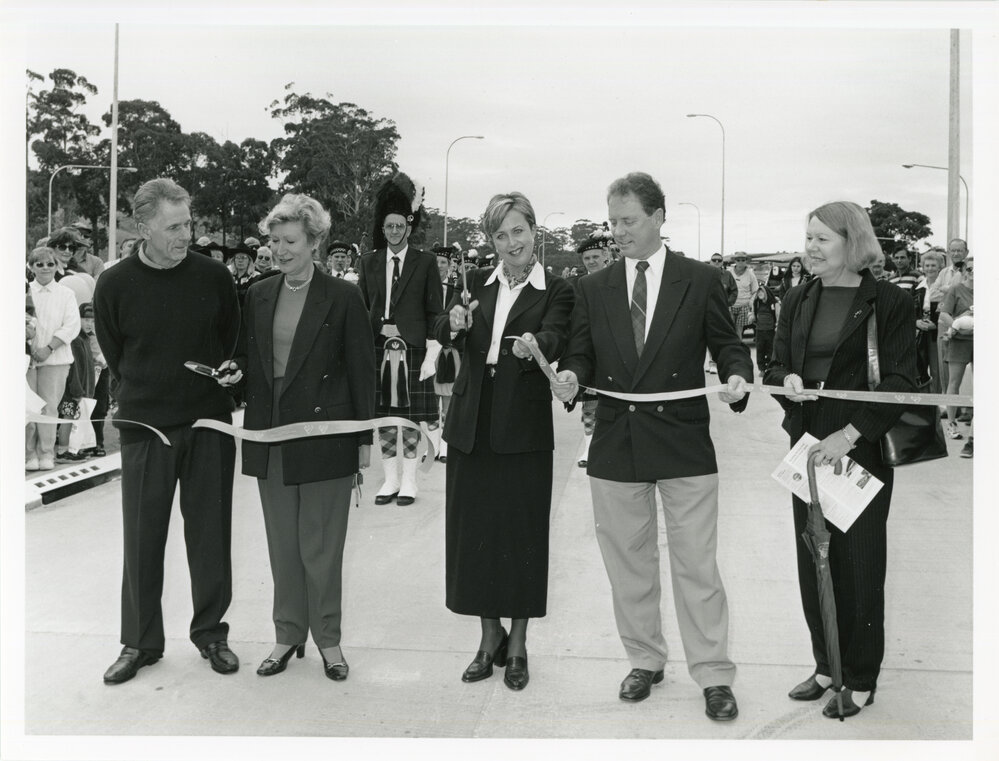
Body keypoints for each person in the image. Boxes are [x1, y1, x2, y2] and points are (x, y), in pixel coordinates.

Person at [552, 172, 751, 720]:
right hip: (617, 443)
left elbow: (727, 343)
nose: (618, 232)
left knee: (697, 566)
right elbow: (581, 354)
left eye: (629, 221)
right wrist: (570, 376)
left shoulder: (700, 278)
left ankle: (712, 674)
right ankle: (645, 660)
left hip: (684, 441)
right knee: (628, 565)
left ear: (659, 216)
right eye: (612, 222)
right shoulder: (591, 288)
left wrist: (737, 377)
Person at [763, 201, 916, 719]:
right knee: (814, 559)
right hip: (807, 446)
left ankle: (861, 676)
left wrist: (850, 435)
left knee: (859, 565)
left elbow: (901, 381)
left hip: (859, 448)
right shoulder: (798, 297)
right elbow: (778, 363)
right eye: (807, 237)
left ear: (852, 242)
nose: (810, 248)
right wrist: (785, 384)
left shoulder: (889, 301)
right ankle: (826, 665)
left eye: (821, 239)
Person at [221, 194, 376, 681]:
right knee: (282, 544)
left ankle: (328, 640)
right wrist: (234, 374)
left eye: (290, 241)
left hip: (326, 436)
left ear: (314, 241)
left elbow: (361, 371)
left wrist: (363, 440)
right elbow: (253, 361)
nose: (280, 250)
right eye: (274, 241)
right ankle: (287, 634)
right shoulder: (259, 293)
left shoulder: (344, 296)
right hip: (271, 434)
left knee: (322, 546)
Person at [93, 178, 241, 685]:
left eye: (189, 224)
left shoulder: (215, 277)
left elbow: (231, 341)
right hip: (144, 427)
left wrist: (229, 373)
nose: (187, 235)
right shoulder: (113, 284)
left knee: (210, 536)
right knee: (142, 538)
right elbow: (116, 356)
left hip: (207, 424)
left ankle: (211, 634)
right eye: (175, 227)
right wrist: (149, 391)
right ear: (144, 227)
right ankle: (139, 643)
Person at [435, 192, 573, 691]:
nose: (511, 242)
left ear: (534, 231)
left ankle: (517, 644)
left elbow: (559, 334)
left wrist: (538, 344)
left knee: (521, 535)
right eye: (500, 235)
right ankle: (487, 637)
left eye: (518, 231)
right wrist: (453, 323)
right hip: (472, 423)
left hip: (524, 426)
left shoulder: (555, 289)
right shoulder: (475, 285)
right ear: (490, 241)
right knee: (475, 535)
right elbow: (444, 326)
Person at [356, 173, 444, 506]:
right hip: (380, 348)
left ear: (409, 227)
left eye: (400, 226)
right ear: (382, 228)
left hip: (414, 350)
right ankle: (390, 478)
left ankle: (409, 481)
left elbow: (435, 311)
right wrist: (379, 328)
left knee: (408, 420)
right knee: (385, 420)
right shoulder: (369, 262)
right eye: (389, 226)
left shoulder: (426, 262)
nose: (394, 231)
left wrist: (431, 354)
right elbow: (361, 307)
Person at [25, 247, 81, 471]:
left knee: (49, 407)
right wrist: (30, 347)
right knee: (28, 407)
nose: (45, 268)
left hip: (55, 360)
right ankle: (28, 454)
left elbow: (72, 326)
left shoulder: (66, 294)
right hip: (27, 359)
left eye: (50, 264)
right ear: (31, 267)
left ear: (57, 266)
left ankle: (46, 453)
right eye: (39, 264)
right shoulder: (24, 291)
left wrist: (49, 348)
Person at [573, 231, 612, 466]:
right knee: (589, 405)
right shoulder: (578, 283)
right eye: (587, 258)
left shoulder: (618, 278)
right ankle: (589, 450)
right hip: (590, 353)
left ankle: (609, 448)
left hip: (616, 353)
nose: (591, 262)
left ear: (606, 255)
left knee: (613, 404)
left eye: (595, 257)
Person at [938, 257, 973, 454]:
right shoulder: (956, 289)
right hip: (959, 341)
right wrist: (955, 327)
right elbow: (943, 314)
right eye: (970, 269)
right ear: (965, 271)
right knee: (954, 383)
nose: (974, 272)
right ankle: (951, 423)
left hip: (980, 341)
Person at [914, 249, 946, 394]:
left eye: (933, 265)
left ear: (940, 267)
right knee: (919, 367)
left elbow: (948, 308)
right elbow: (911, 310)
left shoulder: (944, 287)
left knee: (937, 368)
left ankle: (938, 402)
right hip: (920, 333)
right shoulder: (918, 287)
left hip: (937, 332)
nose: (930, 268)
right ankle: (924, 402)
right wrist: (916, 322)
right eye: (927, 265)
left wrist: (936, 322)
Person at [705, 252, 738, 374]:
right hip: (708, 311)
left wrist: (727, 303)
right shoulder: (705, 274)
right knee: (709, 337)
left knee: (724, 337)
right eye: (714, 260)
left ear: (723, 262)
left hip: (724, 311)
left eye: (719, 260)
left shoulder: (728, 275)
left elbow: (734, 291)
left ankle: (722, 363)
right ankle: (712, 362)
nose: (717, 262)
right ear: (710, 261)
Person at [729, 251, 759, 339]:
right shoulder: (729, 273)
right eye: (738, 260)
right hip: (730, 305)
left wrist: (751, 302)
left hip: (744, 306)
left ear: (746, 261)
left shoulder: (750, 274)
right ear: (735, 261)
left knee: (739, 330)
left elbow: (755, 291)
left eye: (743, 260)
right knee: (730, 330)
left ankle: (738, 350)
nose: (740, 262)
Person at [752, 284, 778, 372]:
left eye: (762, 291)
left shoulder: (774, 303)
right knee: (760, 350)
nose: (760, 293)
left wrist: (777, 326)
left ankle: (771, 368)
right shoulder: (756, 303)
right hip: (759, 330)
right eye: (758, 292)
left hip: (771, 330)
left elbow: (778, 316)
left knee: (771, 349)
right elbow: (754, 314)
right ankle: (762, 369)